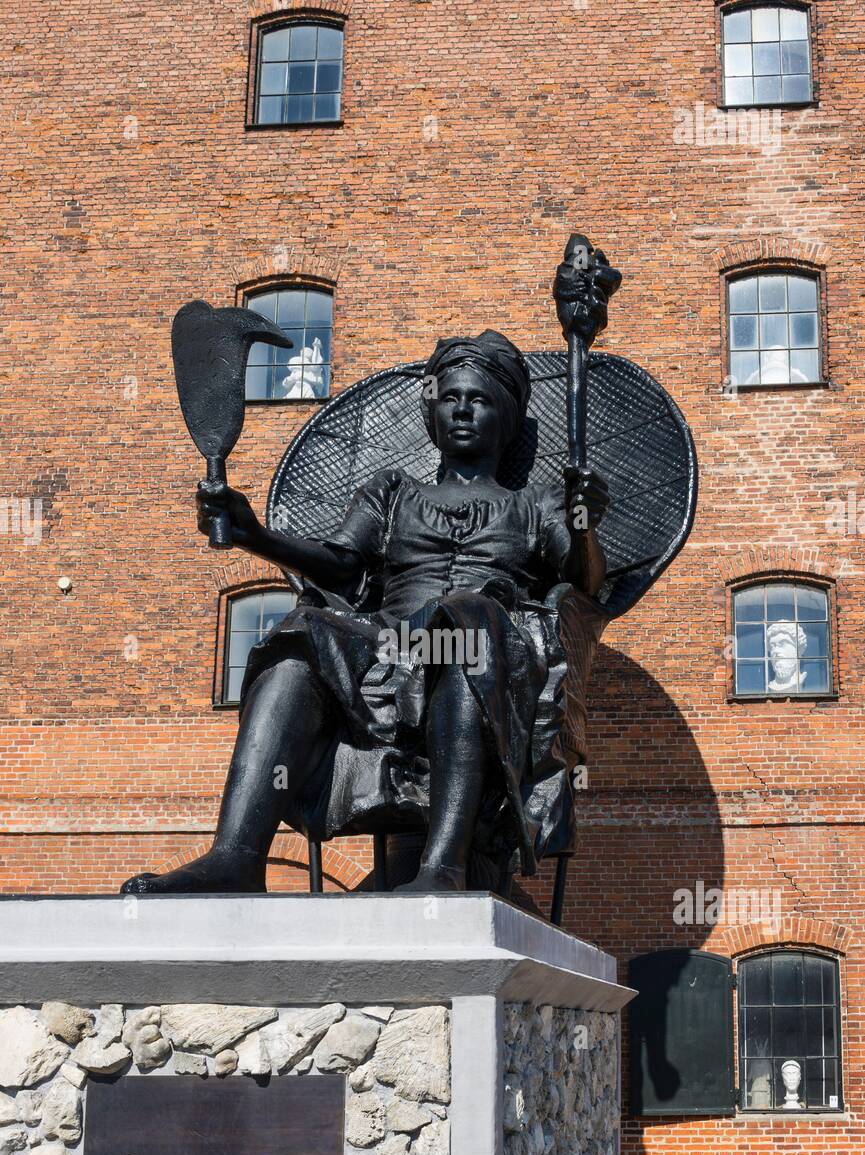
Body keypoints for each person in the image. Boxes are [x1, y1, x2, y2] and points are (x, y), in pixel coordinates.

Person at [121, 327, 610, 896]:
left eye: (479, 400)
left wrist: (584, 525)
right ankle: (235, 857)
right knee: (300, 634)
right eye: (449, 397)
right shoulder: (392, 491)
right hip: (389, 652)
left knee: (466, 618)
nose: (462, 410)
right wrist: (254, 533)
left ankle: (442, 868)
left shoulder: (537, 503)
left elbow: (584, 587)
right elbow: (341, 567)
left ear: (505, 415)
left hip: (490, 659)